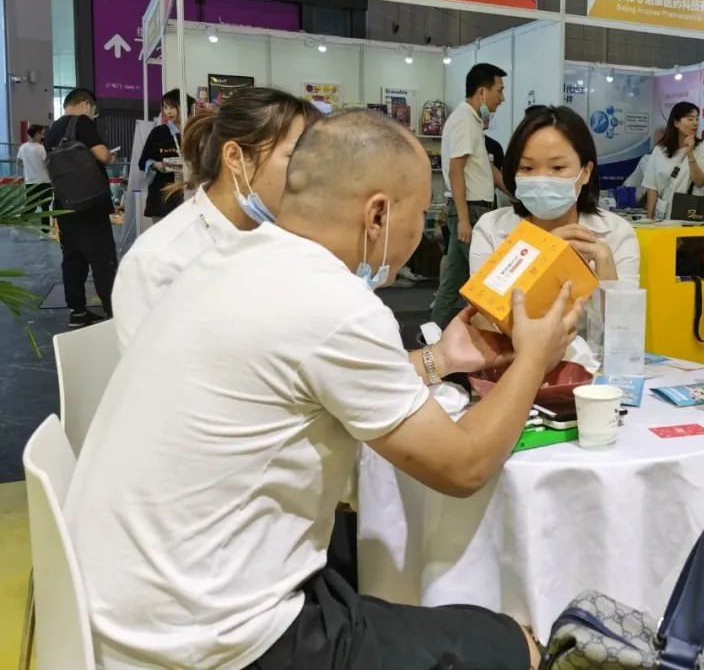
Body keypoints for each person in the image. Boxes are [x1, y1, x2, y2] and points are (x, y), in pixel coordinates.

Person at [65, 109, 582, 670]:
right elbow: (464, 467)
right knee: (512, 642)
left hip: (124, 598)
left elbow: (317, 378)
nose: (419, 234)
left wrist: (443, 358)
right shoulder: (334, 304)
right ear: (378, 214)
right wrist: (535, 356)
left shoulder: (229, 260)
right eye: (419, 214)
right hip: (211, 636)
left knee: (379, 566)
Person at [113, 87, 321, 351]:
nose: (313, 175)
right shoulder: (161, 262)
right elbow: (157, 369)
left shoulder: (282, 236)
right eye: (296, 158)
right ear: (235, 157)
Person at [471, 105, 640, 284]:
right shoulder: (491, 229)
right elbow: (482, 302)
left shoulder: (616, 234)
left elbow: (625, 302)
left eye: (557, 167)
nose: (541, 179)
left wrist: (605, 266)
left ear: (586, 172)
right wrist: (545, 254)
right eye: (527, 168)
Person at [431, 62, 507, 328]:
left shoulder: (473, 121)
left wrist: (515, 194)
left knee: (452, 282)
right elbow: (456, 170)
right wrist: (464, 219)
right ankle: (486, 339)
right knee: (487, 279)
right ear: (482, 92)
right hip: (471, 211)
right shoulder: (464, 120)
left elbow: (485, 169)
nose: (502, 98)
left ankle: (433, 335)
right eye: (499, 90)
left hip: (473, 210)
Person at [44, 88, 117, 327]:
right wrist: (111, 157)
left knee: (73, 259)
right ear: (86, 104)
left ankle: (77, 312)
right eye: (94, 110)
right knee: (102, 258)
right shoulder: (82, 122)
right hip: (90, 203)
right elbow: (102, 155)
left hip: (65, 204)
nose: (93, 115)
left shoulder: (53, 130)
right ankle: (112, 312)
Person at [643, 101, 704, 220]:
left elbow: (699, 182)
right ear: (676, 123)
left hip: (690, 216)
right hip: (662, 218)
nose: (695, 123)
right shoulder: (660, 150)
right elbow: (652, 187)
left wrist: (690, 154)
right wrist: (649, 218)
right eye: (690, 119)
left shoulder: (703, 147)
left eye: (697, 119)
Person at [138, 89, 195, 221]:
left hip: (189, 192)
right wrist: (156, 165)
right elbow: (142, 162)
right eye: (165, 107)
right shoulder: (158, 132)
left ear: (185, 107)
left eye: (172, 107)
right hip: (163, 195)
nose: (168, 112)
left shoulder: (194, 132)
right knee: (163, 232)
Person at [16, 124, 51, 227]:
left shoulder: (22, 147)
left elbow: (18, 162)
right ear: (36, 134)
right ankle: (45, 230)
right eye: (42, 133)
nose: (43, 136)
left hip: (30, 182)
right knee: (45, 206)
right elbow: (47, 163)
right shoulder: (41, 148)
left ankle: (20, 224)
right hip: (44, 181)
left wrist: (29, 165)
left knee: (30, 206)